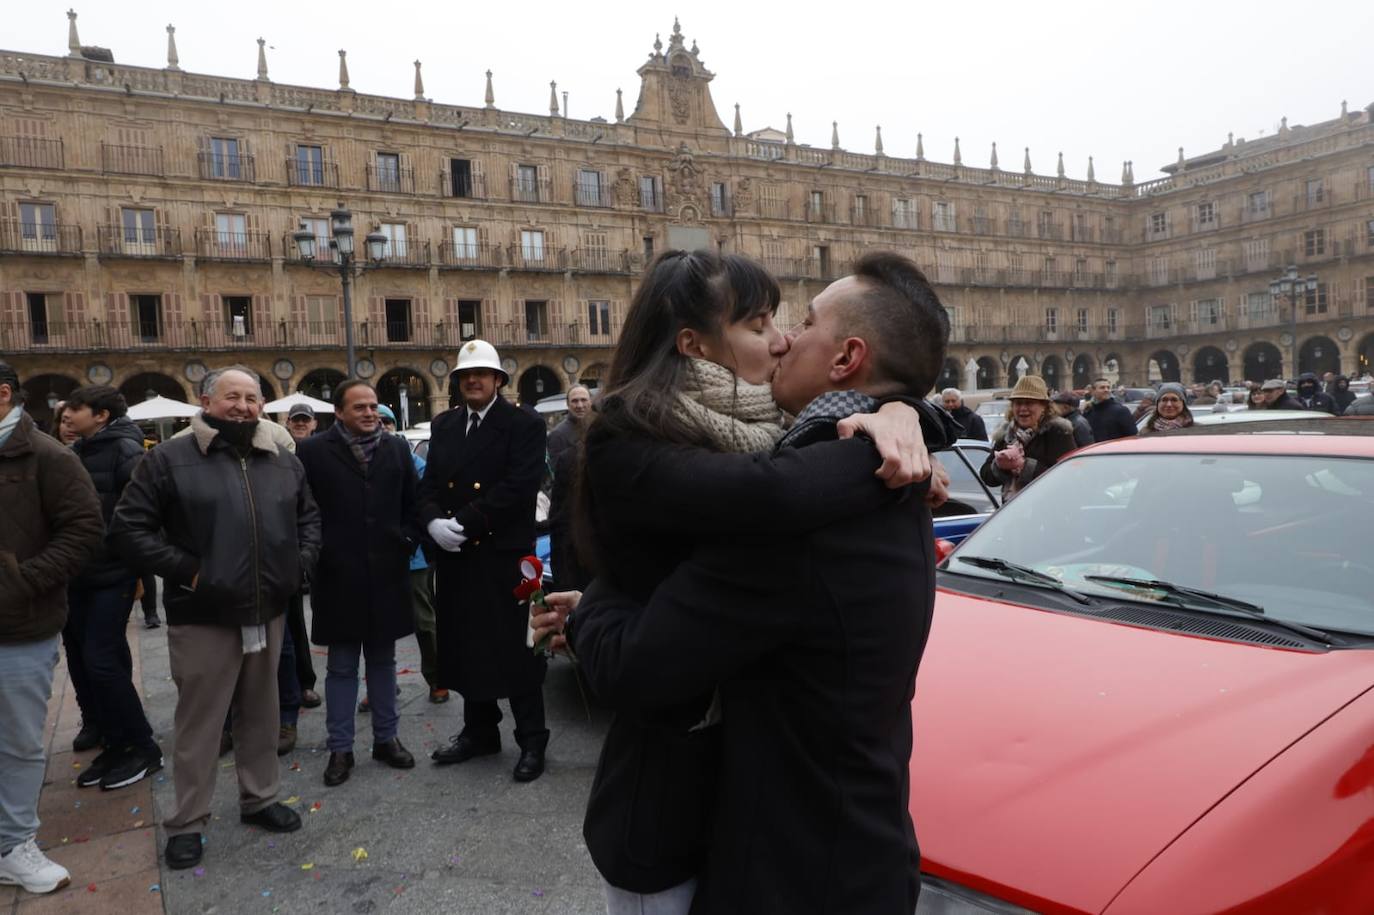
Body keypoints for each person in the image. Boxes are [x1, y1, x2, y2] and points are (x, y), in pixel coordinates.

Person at [538, 250, 955, 914]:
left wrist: (593, 605)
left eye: (802, 321)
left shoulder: (816, 508)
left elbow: (637, 662)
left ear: (846, 359)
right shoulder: (869, 475)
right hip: (855, 852)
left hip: (795, 877)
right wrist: (911, 416)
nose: (785, 337)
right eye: (762, 322)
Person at [109, 365, 321, 871]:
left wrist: (299, 565)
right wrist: (190, 573)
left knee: (263, 712)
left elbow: (309, 519)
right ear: (207, 402)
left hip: (268, 609)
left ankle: (261, 797)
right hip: (203, 614)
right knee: (201, 723)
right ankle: (187, 822)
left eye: (252, 398)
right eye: (232, 397)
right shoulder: (168, 459)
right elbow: (128, 528)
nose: (243, 407)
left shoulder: (281, 460)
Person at [420, 340, 551, 782]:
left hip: (503, 553)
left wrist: (466, 522)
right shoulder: (444, 425)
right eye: (465, 375)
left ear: (498, 380)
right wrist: (434, 522)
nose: (472, 380)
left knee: (517, 648)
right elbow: (431, 484)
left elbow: (519, 486)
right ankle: (480, 731)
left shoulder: (522, 424)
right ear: (457, 382)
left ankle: (533, 738)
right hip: (458, 555)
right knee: (466, 642)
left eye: (481, 373)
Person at [0, 362, 103, 895]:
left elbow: (86, 528)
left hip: (18, 626)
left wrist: (22, 582)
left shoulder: (46, 455)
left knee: (17, 742)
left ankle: (13, 845)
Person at [296, 382, 418, 787]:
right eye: (360, 407)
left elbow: (412, 504)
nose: (369, 413)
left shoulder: (397, 448)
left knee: (383, 661)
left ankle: (386, 739)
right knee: (342, 666)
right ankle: (340, 748)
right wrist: (315, 554)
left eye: (373, 406)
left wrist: (406, 539)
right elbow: (303, 508)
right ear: (340, 412)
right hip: (338, 573)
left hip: (386, 571)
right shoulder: (313, 451)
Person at [60, 385, 164, 790]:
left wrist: (122, 556)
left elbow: (142, 512)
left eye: (77, 407)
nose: (67, 413)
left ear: (101, 415)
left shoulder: (125, 452)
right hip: (81, 573)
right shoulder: (81, 450)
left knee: (101, 660)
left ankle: (143, 747)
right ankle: (117, 743)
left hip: (113, 572)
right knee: (94, 661)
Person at [980, 375, 1077, 502]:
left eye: (1029, 403)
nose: (1022, 409)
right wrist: (1000, 466)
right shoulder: (1006, 433)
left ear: (1044, 407)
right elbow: (986, 476)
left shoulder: (1058, 431)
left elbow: (1066, 475)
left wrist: (1023, 466)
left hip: (1049, 509)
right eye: (1018, 403)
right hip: (1013, 510)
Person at [282, 402, 322, 709]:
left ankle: (305, 683)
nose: (299, 424)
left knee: (295, 622)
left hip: (306, 543)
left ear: (313, 423)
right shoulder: (277, 452)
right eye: (295, 420)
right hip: (283, 544)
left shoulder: (316, 453)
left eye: (304, 420)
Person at [547, 384, 594, 591]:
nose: (580, 405)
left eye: (584, 400)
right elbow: (561, 477)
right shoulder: (558, 435)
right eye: (575, 401)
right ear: (568, 405)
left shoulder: (595, 428)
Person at [1083, 377, 1137, 441]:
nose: (1106, 390)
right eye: (1102, 387)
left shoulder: (1121, 411)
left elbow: (1132, 435)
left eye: (1108, 387)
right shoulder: (1089, 411)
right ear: (1093, 391)